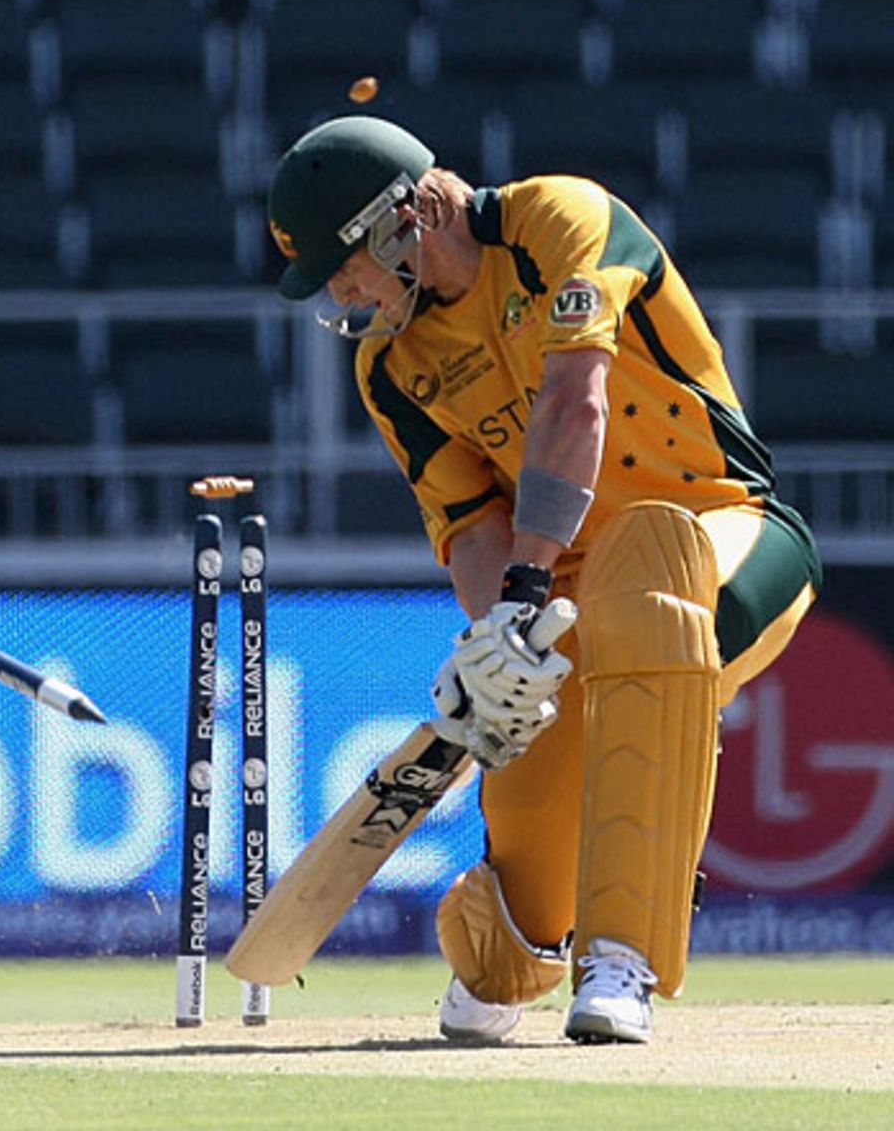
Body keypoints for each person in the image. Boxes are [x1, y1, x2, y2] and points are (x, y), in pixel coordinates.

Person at [266, 116, 821, 1044]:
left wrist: (525, 596)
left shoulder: (557, 221)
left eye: (344, 262)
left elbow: (578, 398)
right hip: (564, 589)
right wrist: (496, 645)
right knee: (521, 795)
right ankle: (515, 956)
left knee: (646, 616)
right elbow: (472, 525)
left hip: (725, 528)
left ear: (402, 218)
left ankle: (623, 962)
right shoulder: (392, 366)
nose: (341, 291)